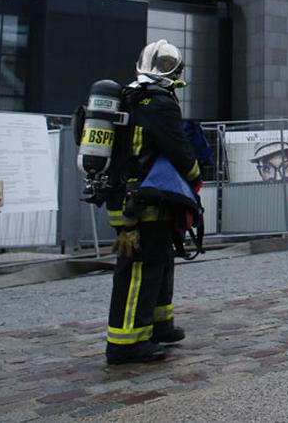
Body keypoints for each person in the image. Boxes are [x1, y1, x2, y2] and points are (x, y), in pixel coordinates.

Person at [104, 40, 201, 365]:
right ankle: (125, 342)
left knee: (158, 259)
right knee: (138, 267)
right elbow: (178, 148)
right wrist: (195, 176)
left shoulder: (129, 97)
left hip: (127, 197)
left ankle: (159, 324)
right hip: (143, 202)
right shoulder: (159, 102)